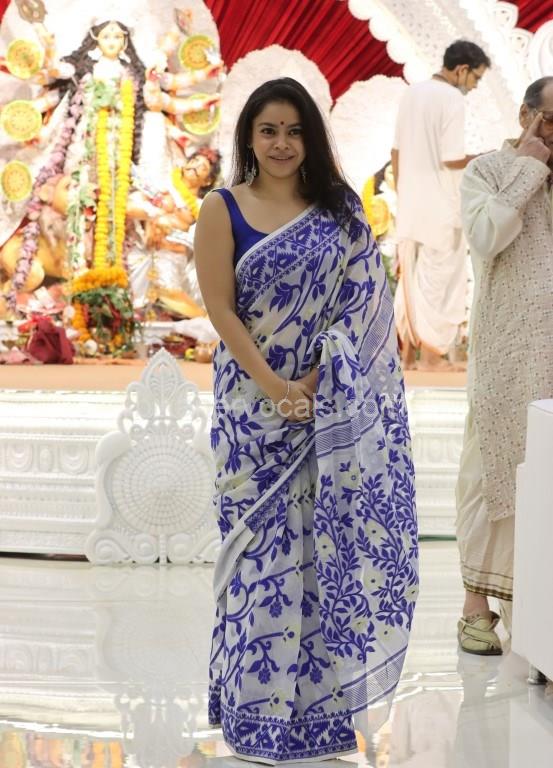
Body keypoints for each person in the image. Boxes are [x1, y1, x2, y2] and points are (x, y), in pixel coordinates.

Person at [194, 77, 419, 763]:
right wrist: (275, 388)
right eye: (268, 130)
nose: (282, 144)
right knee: (258, 558)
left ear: (311, 138)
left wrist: (314, 388)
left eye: (294, 131)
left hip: (325, 410)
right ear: (249, 137)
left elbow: (362, 308)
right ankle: (253, 716)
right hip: (250, 414)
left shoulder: (338, 211)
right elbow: (220, 308)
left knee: (321, 557)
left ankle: (321, 721)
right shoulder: (221, 208)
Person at [456, 76, 553, 655]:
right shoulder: (488, 172)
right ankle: (477, 608)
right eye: (552, 121)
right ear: (526, 116)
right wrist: (528, 168)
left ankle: (541, 618)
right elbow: (487, 234)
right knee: (492, 470)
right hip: (507, 351)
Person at [392, 40, 491, 370]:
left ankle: (408, 357)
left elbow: (396, 152)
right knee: (441, 282)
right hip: (441, 206)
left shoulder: (412, 93)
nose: (474, 86)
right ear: (462, 70)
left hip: (411, 205)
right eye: (475, 77)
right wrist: (486, 157)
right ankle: (433, 359)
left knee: (412, 281)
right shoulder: (451, 99)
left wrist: (403, 196)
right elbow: (451, 158)